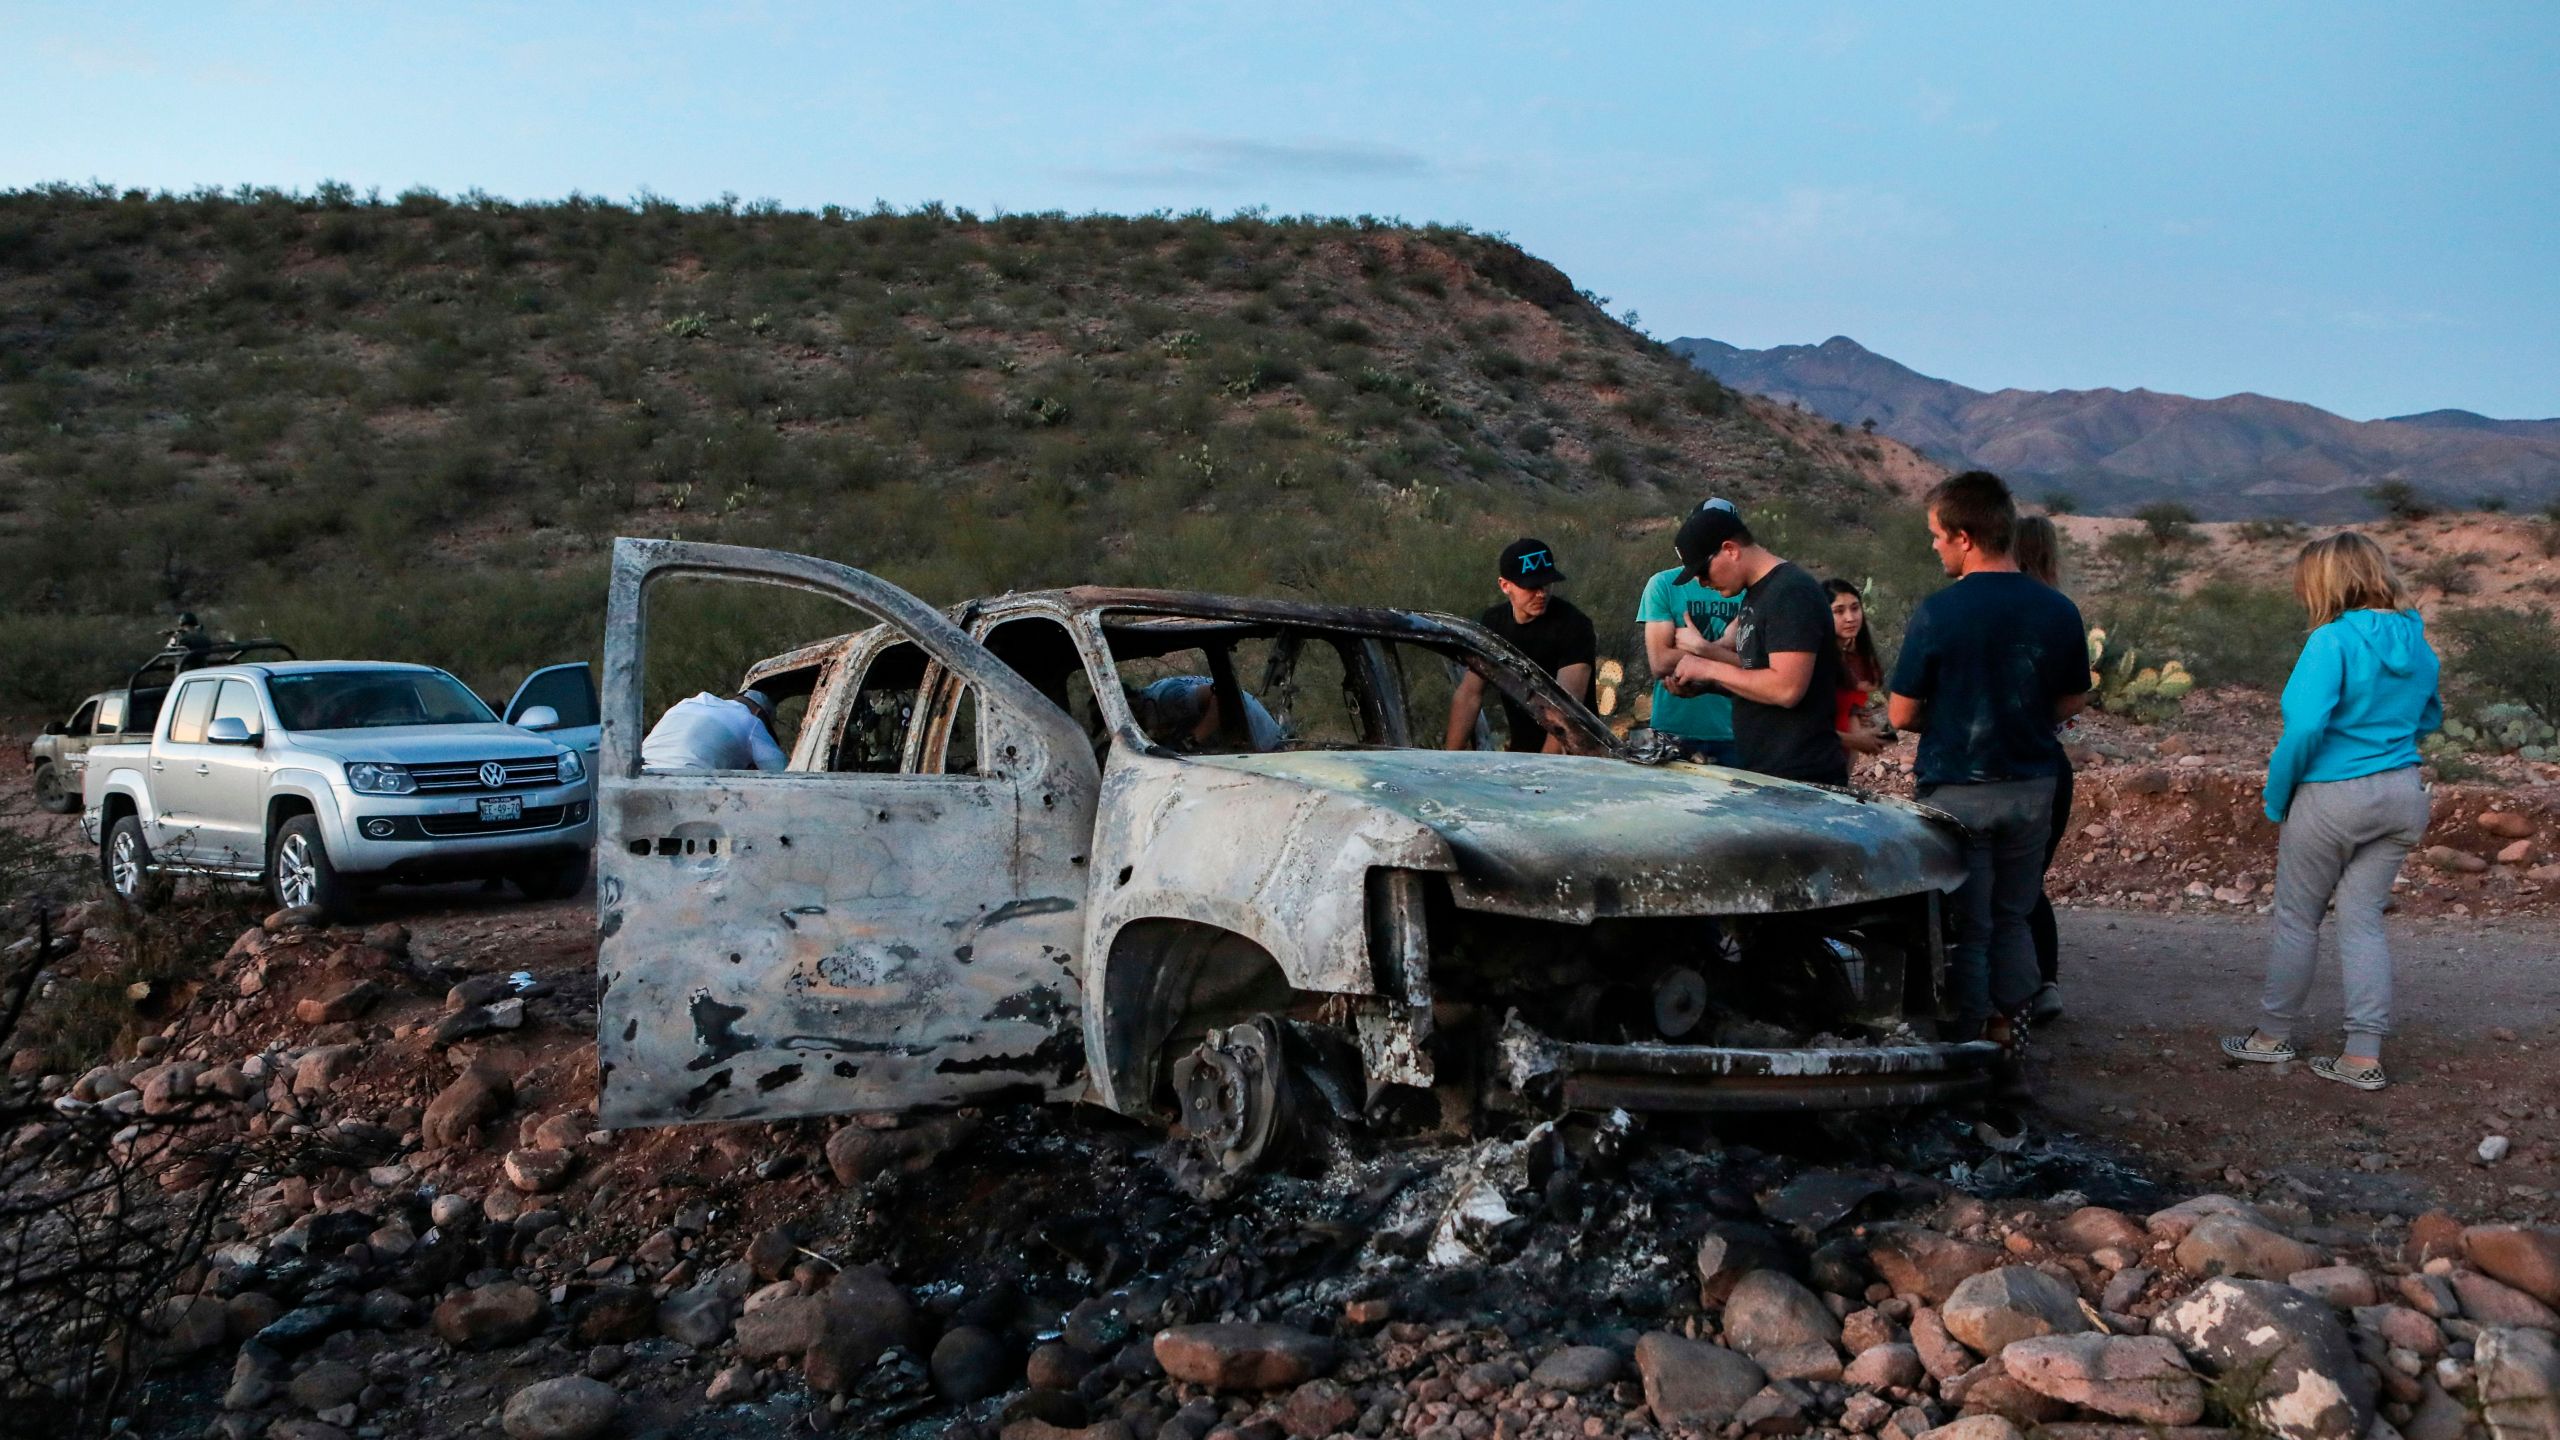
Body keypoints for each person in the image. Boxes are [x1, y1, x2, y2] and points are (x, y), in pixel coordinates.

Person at [2221, 534, 2440, 1091]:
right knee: (2363, 918)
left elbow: (2305, 727)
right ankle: (2362, 1056)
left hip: (2333, 794)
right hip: (2403, 791)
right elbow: (2429, 717)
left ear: (2324, 581)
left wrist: (2278, 796)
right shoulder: (2416, 638)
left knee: (2299, 918)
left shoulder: (2330, 640)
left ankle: (2270, 1038)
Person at [1886, 472, 2090, 1046]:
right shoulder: (2057, 609)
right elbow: (2074, 696)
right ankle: (2011, 1040)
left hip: (1957, 790)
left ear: (1965, 536)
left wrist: (1947, 714)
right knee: (2014, 916)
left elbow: (1901, 714)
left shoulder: (1939, 612)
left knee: (1970, 928)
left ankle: (1970, 1047)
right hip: (2031, 785)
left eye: (1936, 535)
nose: (1934, 546)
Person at [1665, 503, 1848, 785]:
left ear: (1730, 549)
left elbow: (1786, 689)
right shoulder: (1757, 595)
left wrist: (1709, 668)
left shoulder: (1790, 592)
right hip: (1765, 770)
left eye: (1703, 571)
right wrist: (1708, 686)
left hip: (1800, 776)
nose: (1702, 583)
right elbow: (1760, 678)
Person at [1446, 538, 1596, 753]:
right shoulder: (1494, 623)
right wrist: (1451, 757)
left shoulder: (1574, 625)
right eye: (1532, 587)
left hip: (1573, 757)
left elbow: (1567, 707)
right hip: (1523, 753)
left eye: (1546, 584)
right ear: (1505, 586)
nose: (1542, 593)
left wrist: (1546, 767)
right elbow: (1469, 694)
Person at [2011, 515, 2074, 1023]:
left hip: (2005, 760)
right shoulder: (2060, 612)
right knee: (2029, 879)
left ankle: (2006, 997)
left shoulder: (2000, 612)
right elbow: (2074, 695)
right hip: (2050, 760)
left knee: (2004, 883)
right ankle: (2044, 981)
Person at [1639, 500, 1748, 765]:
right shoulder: (1665, 584)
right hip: (1673, 727)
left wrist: (1697, 647)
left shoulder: (1751, 589)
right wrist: (1725, 648)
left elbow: (1759, 666)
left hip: (1736, 730)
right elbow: (1660, 662)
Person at [641, 688, 789, 773]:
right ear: (758, 713)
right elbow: (779, 772)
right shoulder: (750, 721)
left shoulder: (683, 705)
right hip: (686, 778)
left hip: (642, 773)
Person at [1824, 580, 1891, 758]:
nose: (1850, 618)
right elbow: (1808, 728)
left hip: (1844, 759)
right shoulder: (1816, 660)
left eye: (1855, 608)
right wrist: (1856, 740)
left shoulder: (1858, 656)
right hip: (1818, 759)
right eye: (1839, 611)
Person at [1132, 675, 1285, 753]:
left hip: (1257, 735)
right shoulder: (1153, 697)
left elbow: (1220, 697)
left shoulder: (1167, 697)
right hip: (1255, 734)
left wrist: (1191, 741)